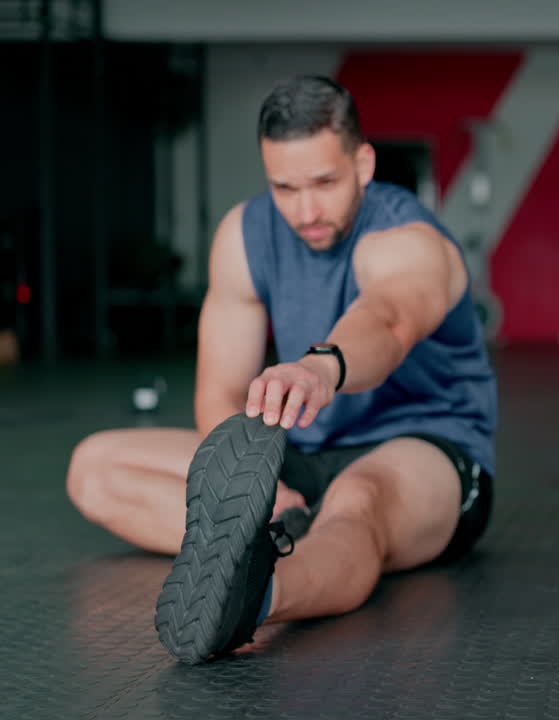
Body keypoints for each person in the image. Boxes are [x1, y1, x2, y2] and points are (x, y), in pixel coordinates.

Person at [65, 75, 497, 664]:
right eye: (285, 188)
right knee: (95, 467)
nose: (306, 210)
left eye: (324, 182)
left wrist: (322, 367)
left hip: (425, 450)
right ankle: (281, 529)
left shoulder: (407, 240)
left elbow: (389, 321)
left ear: (363, 163)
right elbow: (219, 392)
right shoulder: (246, 235)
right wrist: (266, 484)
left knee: (359, 502)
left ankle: (254, 597)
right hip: (300, 451)